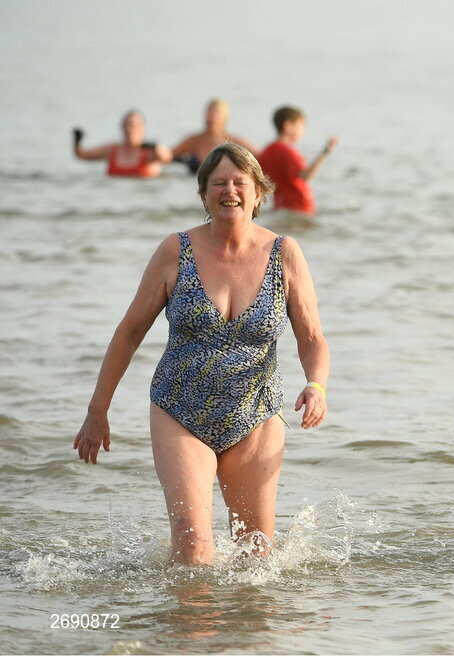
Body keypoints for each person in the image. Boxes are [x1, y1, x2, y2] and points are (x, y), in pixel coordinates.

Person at [74, 143, 330, 565]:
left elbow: (312, 338)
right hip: (180, 410)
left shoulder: (284, 253)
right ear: (203, 195)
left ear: (259, 192)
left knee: (256, 556)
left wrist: (316, 386)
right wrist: (97, 410)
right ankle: (187, 626)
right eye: (219, 183)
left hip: (256, 414)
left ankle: (240, 632)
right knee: (194, 549)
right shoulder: (176, 251)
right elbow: (129, 333)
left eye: (239, 182)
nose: (230, 190)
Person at [258, 106, 338, 216]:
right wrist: (326, 151)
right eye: (301, 126)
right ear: (288, 126)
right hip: (300, 207)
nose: (303, 131)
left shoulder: (267, 151)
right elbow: (306, 175)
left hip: (279, 206)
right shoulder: (289, 151)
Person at [72, 110, 172, 177]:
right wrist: (77, 140)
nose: (130, 128)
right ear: (122, 127)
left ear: (143, 128)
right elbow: (82, 155)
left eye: (134, 125)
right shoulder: (111, 149)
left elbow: (167, 157)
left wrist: (154, 147)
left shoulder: (151, 152)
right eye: (127, 124)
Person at [172, 99, 262, 173]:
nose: (211, 115)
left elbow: (261, 156)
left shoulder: (234, 142)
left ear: (225, 117)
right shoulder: (194, 141)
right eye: (209, 111)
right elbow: (169, 155)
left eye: (216, 112)